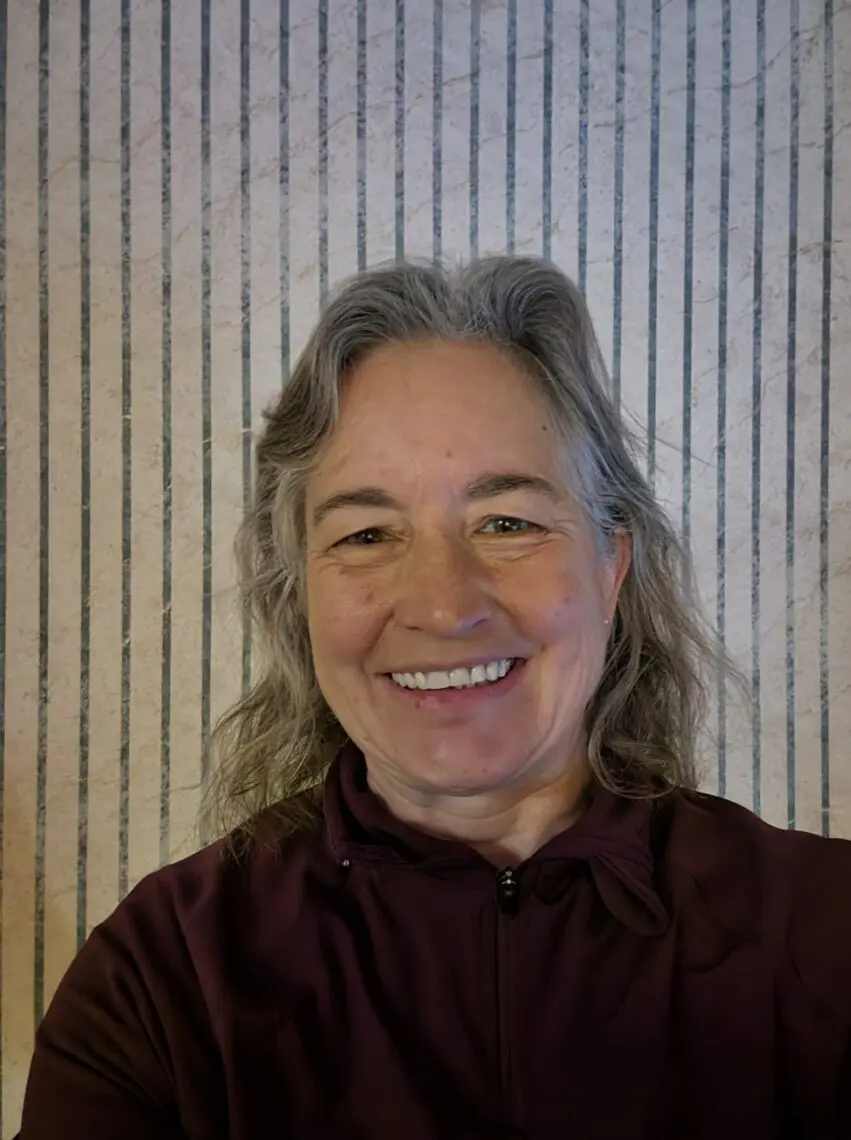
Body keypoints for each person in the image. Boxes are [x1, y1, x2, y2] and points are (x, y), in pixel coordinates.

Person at [16, 257, 851, 1140]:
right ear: (297, 594)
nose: (445, 605)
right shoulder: (162, 981)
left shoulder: (826, 935)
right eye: (367, 534)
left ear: (610, 568)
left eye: (507, 523)